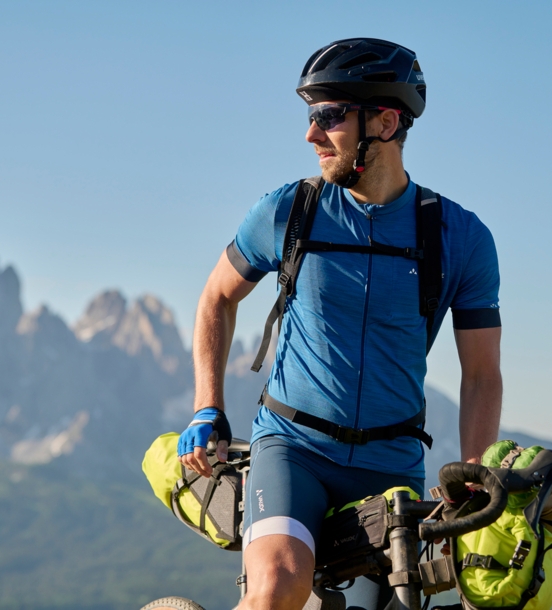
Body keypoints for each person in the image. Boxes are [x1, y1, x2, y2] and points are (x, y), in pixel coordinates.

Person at [178, 38, 503, 610]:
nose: (311, 135)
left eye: (329, 117)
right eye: (310, 116)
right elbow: (215, 299)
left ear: (385, 120)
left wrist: (473, 471)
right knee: (277, 586)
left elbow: (481, 374)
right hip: (292, 449)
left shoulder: (462, 238)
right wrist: (209, 405)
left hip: (393, 464)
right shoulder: (288, 211)